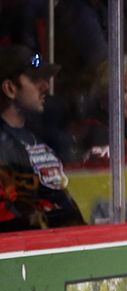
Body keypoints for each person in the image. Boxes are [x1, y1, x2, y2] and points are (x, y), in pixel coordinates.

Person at [0, 45, 85, 231]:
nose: (46, 86)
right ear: (10, 88)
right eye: (34, 79)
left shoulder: (45, 136)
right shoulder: (4, 147)